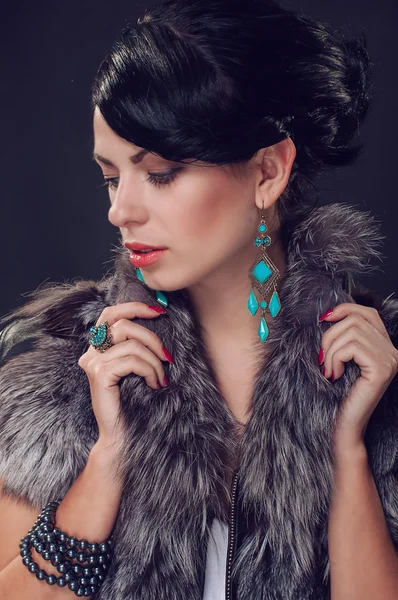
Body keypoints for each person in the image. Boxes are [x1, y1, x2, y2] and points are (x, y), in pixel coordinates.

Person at [0, 0, 397, 598]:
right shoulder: (61, 368)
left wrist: (348, 451)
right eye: (112, 177)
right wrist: (108, 458)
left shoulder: (378, 369)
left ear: (268, 172)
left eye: (159, 173)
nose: (120, 209)